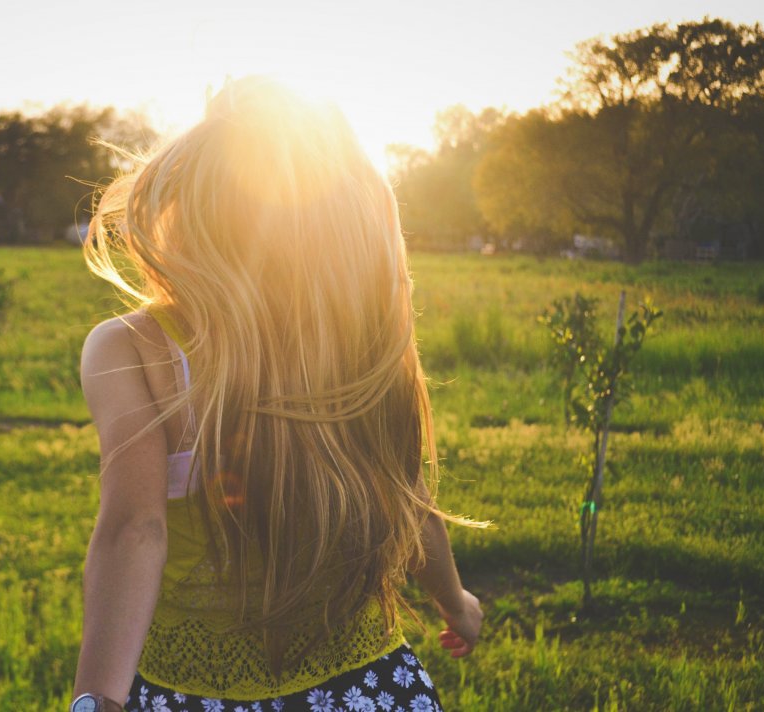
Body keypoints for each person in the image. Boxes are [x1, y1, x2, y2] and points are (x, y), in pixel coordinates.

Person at [72, 77, 484, 712]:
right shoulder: (361, 340)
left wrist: (96, 698)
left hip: (195, 693)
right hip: (365, 686)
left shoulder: (133, 346)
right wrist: (456, 603)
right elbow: (406, 492)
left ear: (189, 204)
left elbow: (135, 529)